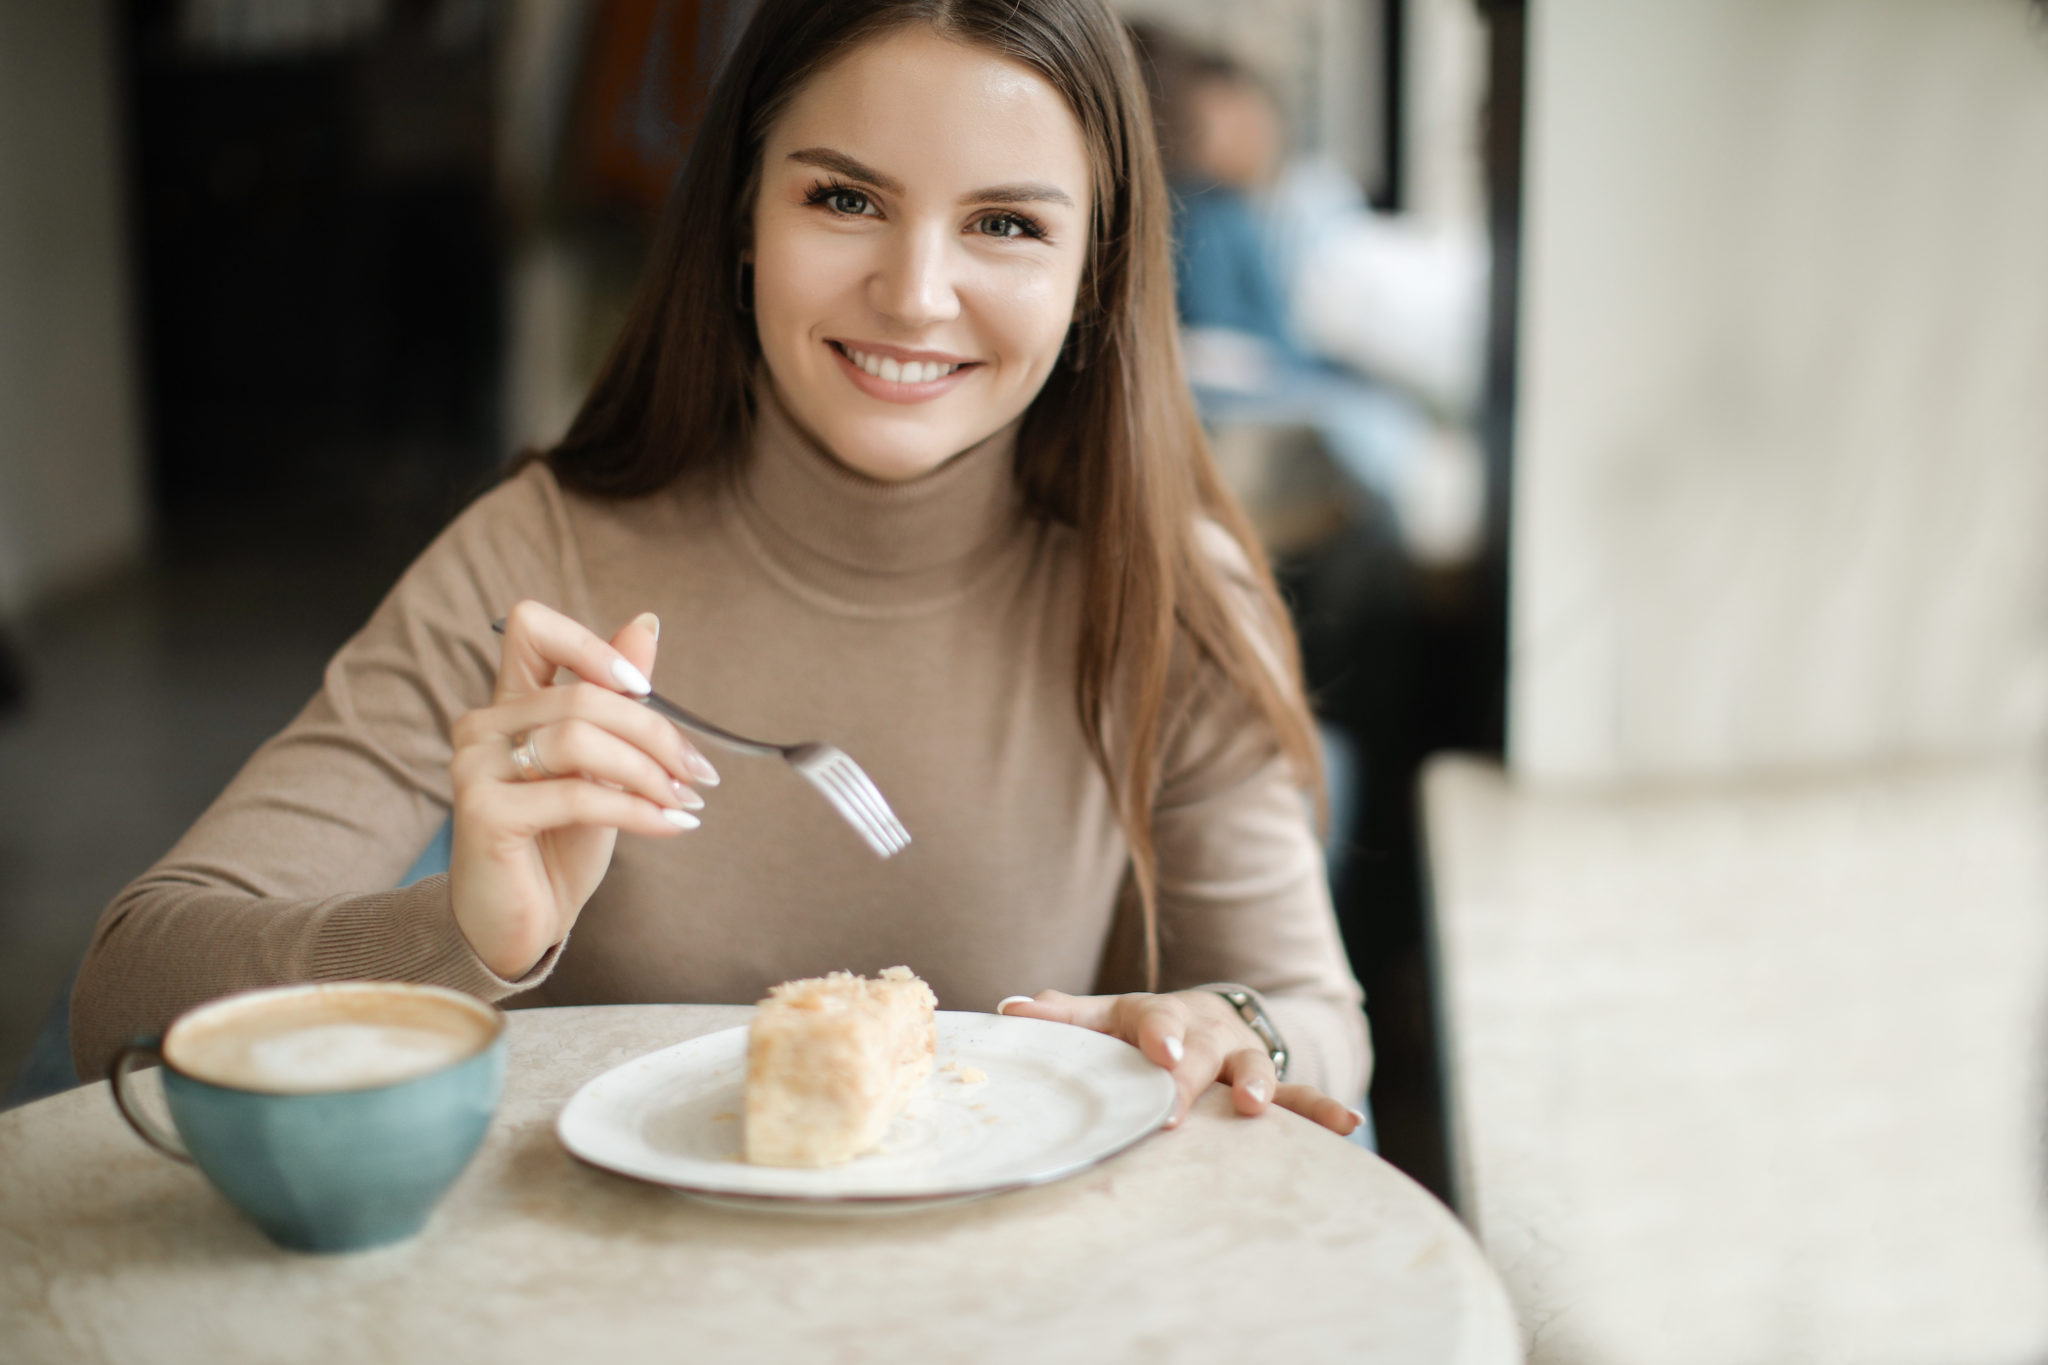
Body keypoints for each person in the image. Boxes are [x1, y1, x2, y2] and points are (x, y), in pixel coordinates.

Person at [71, 0, 1370, 1136]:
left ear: (1095, 275)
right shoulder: (544, 552)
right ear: (743, 219)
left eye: (1006, 225)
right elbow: (120, 993)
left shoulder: (1172, 588)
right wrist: (459, 942)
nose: (915, 294)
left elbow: (1312, 1011)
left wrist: (1227, 1024)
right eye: (844, 198)